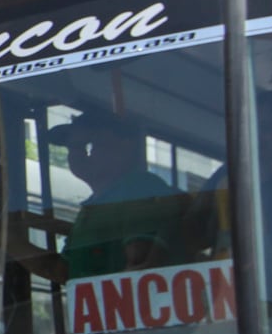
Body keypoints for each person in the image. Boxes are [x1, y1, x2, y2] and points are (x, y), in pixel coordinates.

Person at [55, 115, 180, 279]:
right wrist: (15, 243)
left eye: (90, 146)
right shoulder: (94, 205)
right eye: (73, 147)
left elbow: (137, 264)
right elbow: (67, 272)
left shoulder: (139, 188)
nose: (78, 156)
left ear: (125, 146)